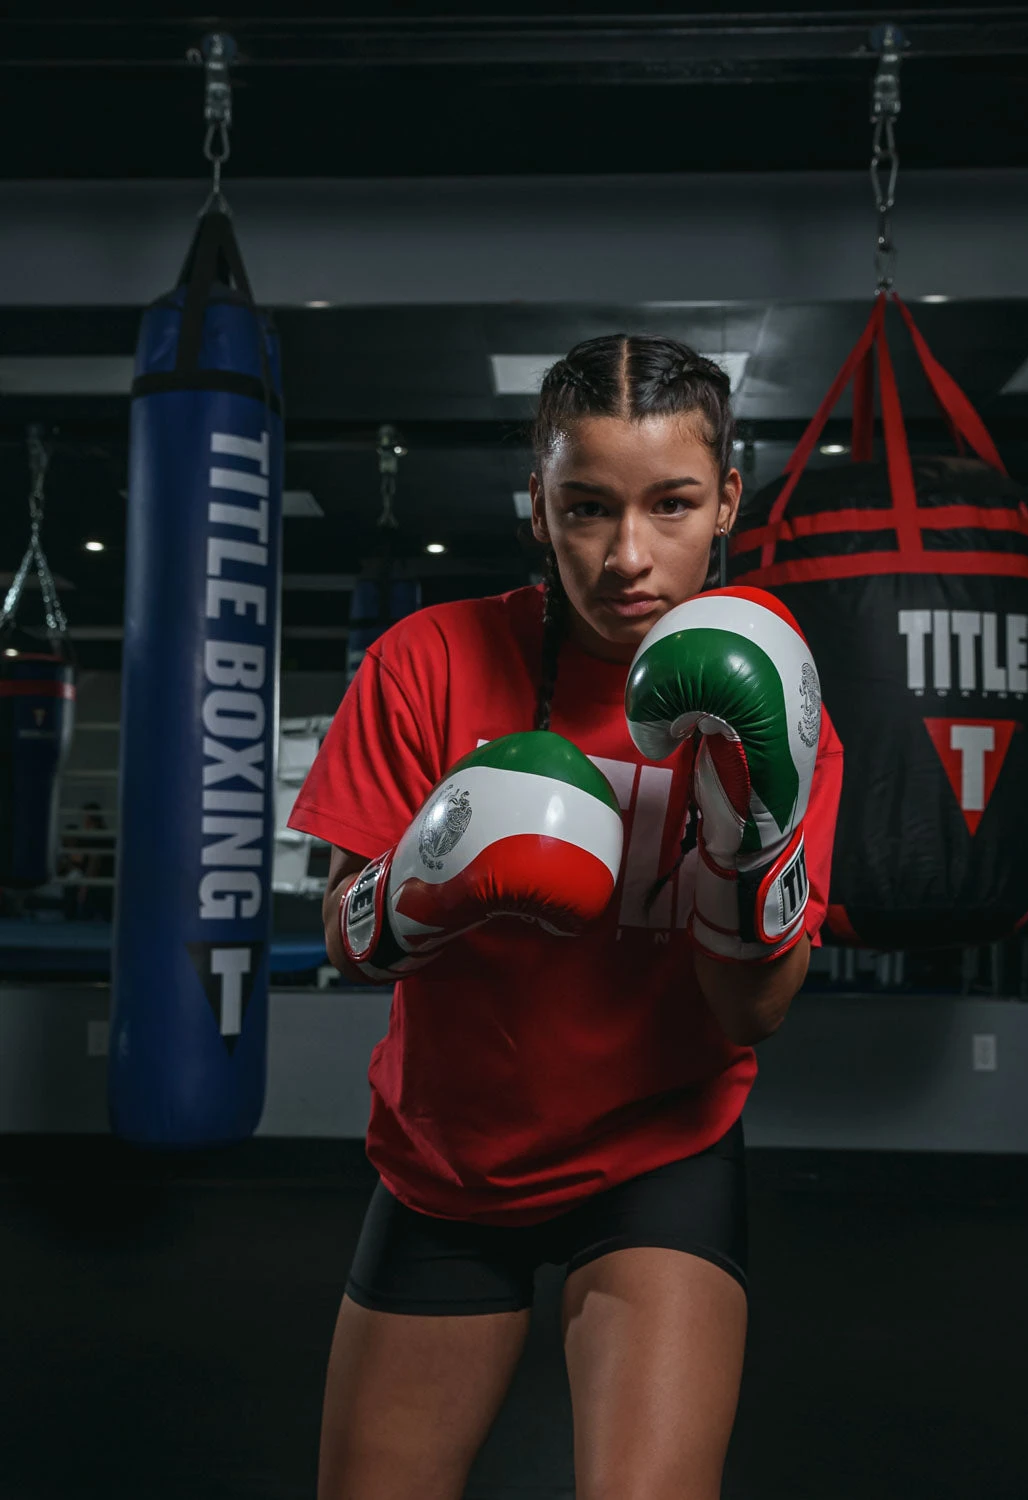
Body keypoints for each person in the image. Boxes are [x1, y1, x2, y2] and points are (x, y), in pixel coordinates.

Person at [288, 334, 844, 1500]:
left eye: (671, 504)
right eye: (588, 507)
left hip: (658, 1151)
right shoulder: (428, 662)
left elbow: (750, 1013)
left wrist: (748, 838)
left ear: (726, 501)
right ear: (537, 508)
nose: (628, 556)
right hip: (449, 1156)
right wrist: (428, 881)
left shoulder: (776, 699)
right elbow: (340, 935)